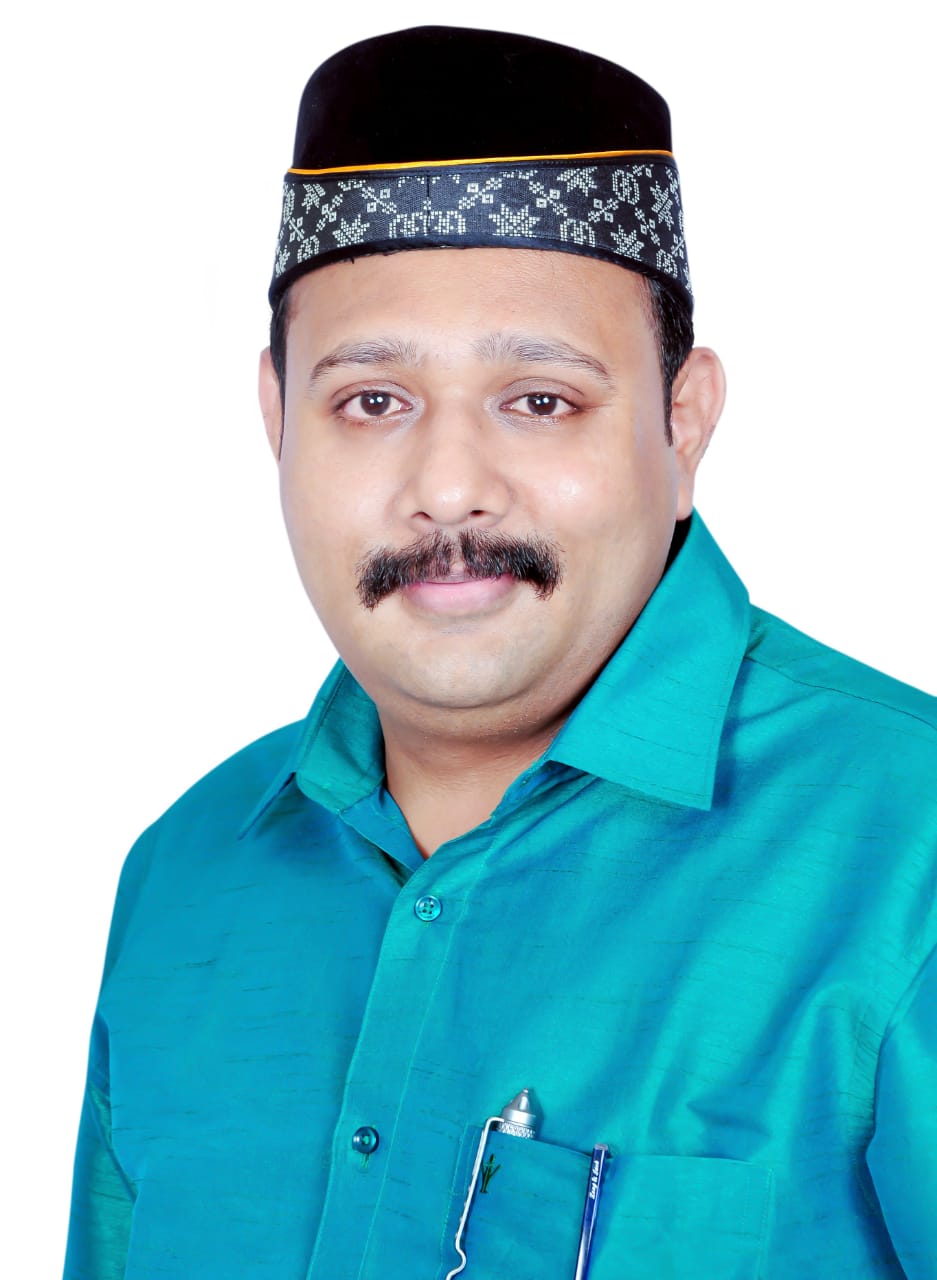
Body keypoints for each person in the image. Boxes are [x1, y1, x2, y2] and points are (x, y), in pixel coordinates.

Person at [63, 24, 937, 1280]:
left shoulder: (906, 856)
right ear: (276, 419)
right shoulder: (188, 873)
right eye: (372, 401)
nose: (448, 486)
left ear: (682, 423)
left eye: (539, 400)